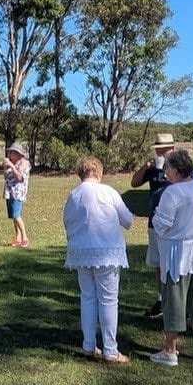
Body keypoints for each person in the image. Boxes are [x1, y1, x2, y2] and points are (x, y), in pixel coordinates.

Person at [147, 149, 193, 367]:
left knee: (174, 299)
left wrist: (159, 222)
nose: (164, 171)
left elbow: (161, 223)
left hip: (179, 254)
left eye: (167, 167)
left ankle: (170, 349)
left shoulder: (172, 193)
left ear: (176, 170)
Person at [64, 156, 135, 363]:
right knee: (108, 300)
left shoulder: (73, 195)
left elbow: (67, 221)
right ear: (99, 173)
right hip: (107, 251)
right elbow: (127, 220)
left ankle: (88, 345)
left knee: (87, 297)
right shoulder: (108, 192)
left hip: (81, 251)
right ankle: (110, 349)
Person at [131, 132, 179, 318]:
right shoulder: (152, 168)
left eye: (165, 150)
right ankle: (161, 299)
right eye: (159, 150)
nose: (162, 153)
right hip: (154, 221)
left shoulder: (182, 167)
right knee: (157, 262)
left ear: (173, 150)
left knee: (175, 262)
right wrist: (146, 166)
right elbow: (134, 183)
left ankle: (177, 302)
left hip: (175, 223)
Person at [3, 142, 31, 248]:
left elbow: (19, 178)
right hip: (9, 193)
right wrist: (6, 167)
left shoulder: (24, 163)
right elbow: (6, 177)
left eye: (11, 153)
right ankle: (18, 237)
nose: (9, 155)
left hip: (17, 194)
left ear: (18, 153)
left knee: (17, 215)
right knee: (13, 217)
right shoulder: (11, 163)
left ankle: (25, 238)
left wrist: (12, 167)